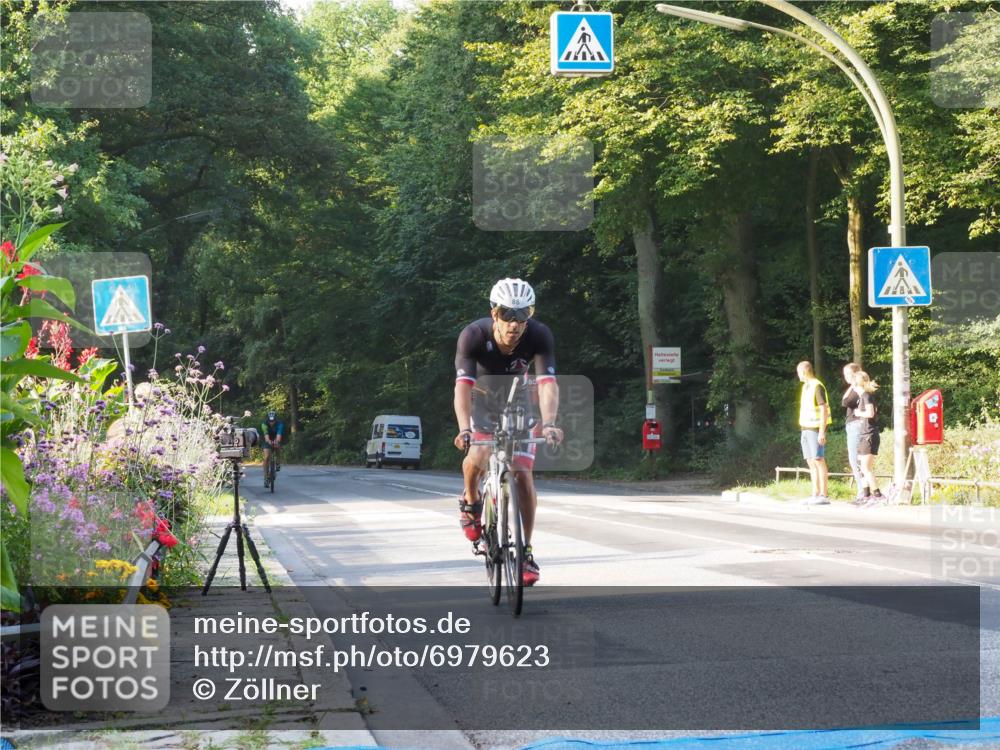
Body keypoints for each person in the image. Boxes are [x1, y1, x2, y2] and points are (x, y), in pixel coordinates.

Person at [453, 278, 563, 586]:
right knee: (480, 450)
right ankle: (472, 502)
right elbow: (462, 387)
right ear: (494, 313)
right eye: (507, 314)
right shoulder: (473, 335)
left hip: (517, 401)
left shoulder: (539, 335)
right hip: (482, 400)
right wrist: (464, 429)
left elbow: (547, 384)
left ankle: (525, 552)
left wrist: (550, 422)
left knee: (523, 475)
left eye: (523, 314)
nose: (515, 323)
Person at [796, 361, 831, 505]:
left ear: (804, 372)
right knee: (810, 461)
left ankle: (824, 494)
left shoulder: (817, 386)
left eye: (798, 372)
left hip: (815, 428)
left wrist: (822, 432)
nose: (798, 375)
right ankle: (814, 493)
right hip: (805, 427)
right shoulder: (806, 387)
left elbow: (824, 409)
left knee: (818, 460)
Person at [851, 371, 883, 505]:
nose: (852, 387)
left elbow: (870, 413)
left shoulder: (866, 396)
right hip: (865, 434)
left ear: (859, 384)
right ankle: (866, 495)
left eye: (854, 384)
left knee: (866, 468)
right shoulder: (864, 396)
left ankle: (879, 495)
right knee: (862, 468)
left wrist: (858, 413)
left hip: (869, 434)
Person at [841, 362, 866, 504]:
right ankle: (862, 491)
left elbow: (845, 401)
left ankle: (863, 492)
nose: (846, 378)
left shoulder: (858, 389)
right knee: (854, 459)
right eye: (845, 375)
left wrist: (852, 384)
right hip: (852, 425)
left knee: (855, 459)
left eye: (849, 374)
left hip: (856, 425)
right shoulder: (854, 388)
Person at [260, 410, 285, 484]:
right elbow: (266, 435)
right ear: (268, 420)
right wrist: (269, 441)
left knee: (277, 446)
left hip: (276, 437)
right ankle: (265, 477)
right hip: (267, 439)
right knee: (267, 457)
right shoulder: (264, 424)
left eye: (273, 421)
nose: (271, 422)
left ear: (275, 420)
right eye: (270, 421)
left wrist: (276, 441)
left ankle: (278, 462)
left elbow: (279, 435)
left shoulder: (280, 424)